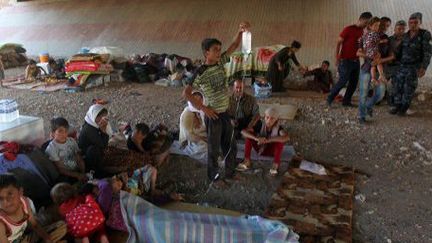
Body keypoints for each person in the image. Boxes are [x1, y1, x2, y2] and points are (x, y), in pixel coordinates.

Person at [183, 22, 250, 186]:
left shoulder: (221, 62)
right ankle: (213, 178)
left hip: (225, 112)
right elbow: (186, 93)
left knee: (230, 145)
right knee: (213, 150)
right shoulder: (200, 72)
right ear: (207, 52)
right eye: (215, 50)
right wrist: (204, 108)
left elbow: (234, 45)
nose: (219, 52)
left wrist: (240, 31)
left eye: (220, 49)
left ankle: (230, 173)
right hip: (212, 116)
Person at [327, 12, 372, 107]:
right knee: (343, 81)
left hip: (356, 61)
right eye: (366, 22)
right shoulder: (348, 29)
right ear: (361, 19)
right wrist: (337, 57)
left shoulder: (362, 32)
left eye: (368, 23)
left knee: (354, 83)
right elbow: (338, 42)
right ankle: (329, 99)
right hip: (345, 60)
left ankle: (346, 101)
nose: (367, 25)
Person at [391, 12, 432, 115]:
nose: (412, 24)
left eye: (415, 22)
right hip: (402, 66)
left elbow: (427, 52)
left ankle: (403, 108)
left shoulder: (425, 34)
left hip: (414, 67)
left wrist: (423, 67)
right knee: (397, 86)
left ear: (420, 22)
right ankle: (397, 105)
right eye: (410, 22)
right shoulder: (405, 35)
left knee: (408, 88)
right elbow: (399, 51)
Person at [357, 17, 395, 123]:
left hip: (379, 70)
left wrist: (379, 60)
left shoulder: (387, 39)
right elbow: (358, 53)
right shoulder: (366, 36)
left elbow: (392, 56)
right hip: (366, 69)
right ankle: (361, 116)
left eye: (387, 26)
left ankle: (369, 105)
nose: (383, 27)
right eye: (382, 24)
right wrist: (371, 57)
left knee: (380, 94)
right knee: (363, 93)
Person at [236, 107, 289, 176]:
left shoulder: (279, 128)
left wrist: (268, 140)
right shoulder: (260, 125)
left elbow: (286, 138)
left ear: (276, 120)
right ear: (264, 117)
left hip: (271, 152)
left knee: (280, 141)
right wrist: (256, 138)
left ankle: (275, 165)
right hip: (259, 148)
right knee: (249, 136)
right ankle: (247, 161)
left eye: (272, 118)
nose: (269, 120)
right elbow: (243, 132)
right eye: (267, 117)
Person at [0, 174, 53, 243]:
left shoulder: (24, 202)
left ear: (20, 192)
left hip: (22, 236)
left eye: (10, 194)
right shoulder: (1, 222)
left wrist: (47, 238)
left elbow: (35, 225)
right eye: (0, 198)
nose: (6, 201)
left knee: (59, 227)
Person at [45, 117, 87, 182]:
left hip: (77, 170)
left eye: (66, 131)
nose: (64, 134)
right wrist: (77, 175)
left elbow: (79, 158)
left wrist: (83, 172)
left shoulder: (72, 141)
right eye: (60, 131)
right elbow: (60, 169)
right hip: (66, 174)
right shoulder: (51, 148)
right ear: (53, 133)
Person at [78, 104, 111, 177]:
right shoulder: (89, 129)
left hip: (95, 152)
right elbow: (103, 146)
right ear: (94, 116)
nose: (103, 119)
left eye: (104, 117)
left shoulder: (93, 123)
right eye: (100, 117)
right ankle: (95, 172)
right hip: (88, 157)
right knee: (93, 150)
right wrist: (103, 130)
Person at [179, 91, 208, 161]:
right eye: (195, 100)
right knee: (204, 147)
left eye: (200, 100)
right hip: (190, 142)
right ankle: (217, 162)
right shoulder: (187, 114)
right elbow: (188, 135)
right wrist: (203, 139)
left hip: (202, 137)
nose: (197, 102)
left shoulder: (203, 111)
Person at [386, 20, 407, 107]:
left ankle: (393, 102)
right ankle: (381, 98)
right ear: (394, 29)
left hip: (399, 66)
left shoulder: (407, 40)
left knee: (397, 85)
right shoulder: (389, 39)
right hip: (388, 65)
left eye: (403, 29)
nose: (401, 31)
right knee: (384, 84)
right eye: (399, 29)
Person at [362, 17, 388, 85]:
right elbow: (377, 41)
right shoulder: (374, 33)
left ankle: (373, 78)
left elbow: (364, 44)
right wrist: (383, 41)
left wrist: (367, 51)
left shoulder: (366, 34)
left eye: (378, 25)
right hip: (373, 51)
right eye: (376, 25)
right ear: (370, 26)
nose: (378, 27)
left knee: (373, 65)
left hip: (369, 52)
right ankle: (381, 75)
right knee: (378, 62)